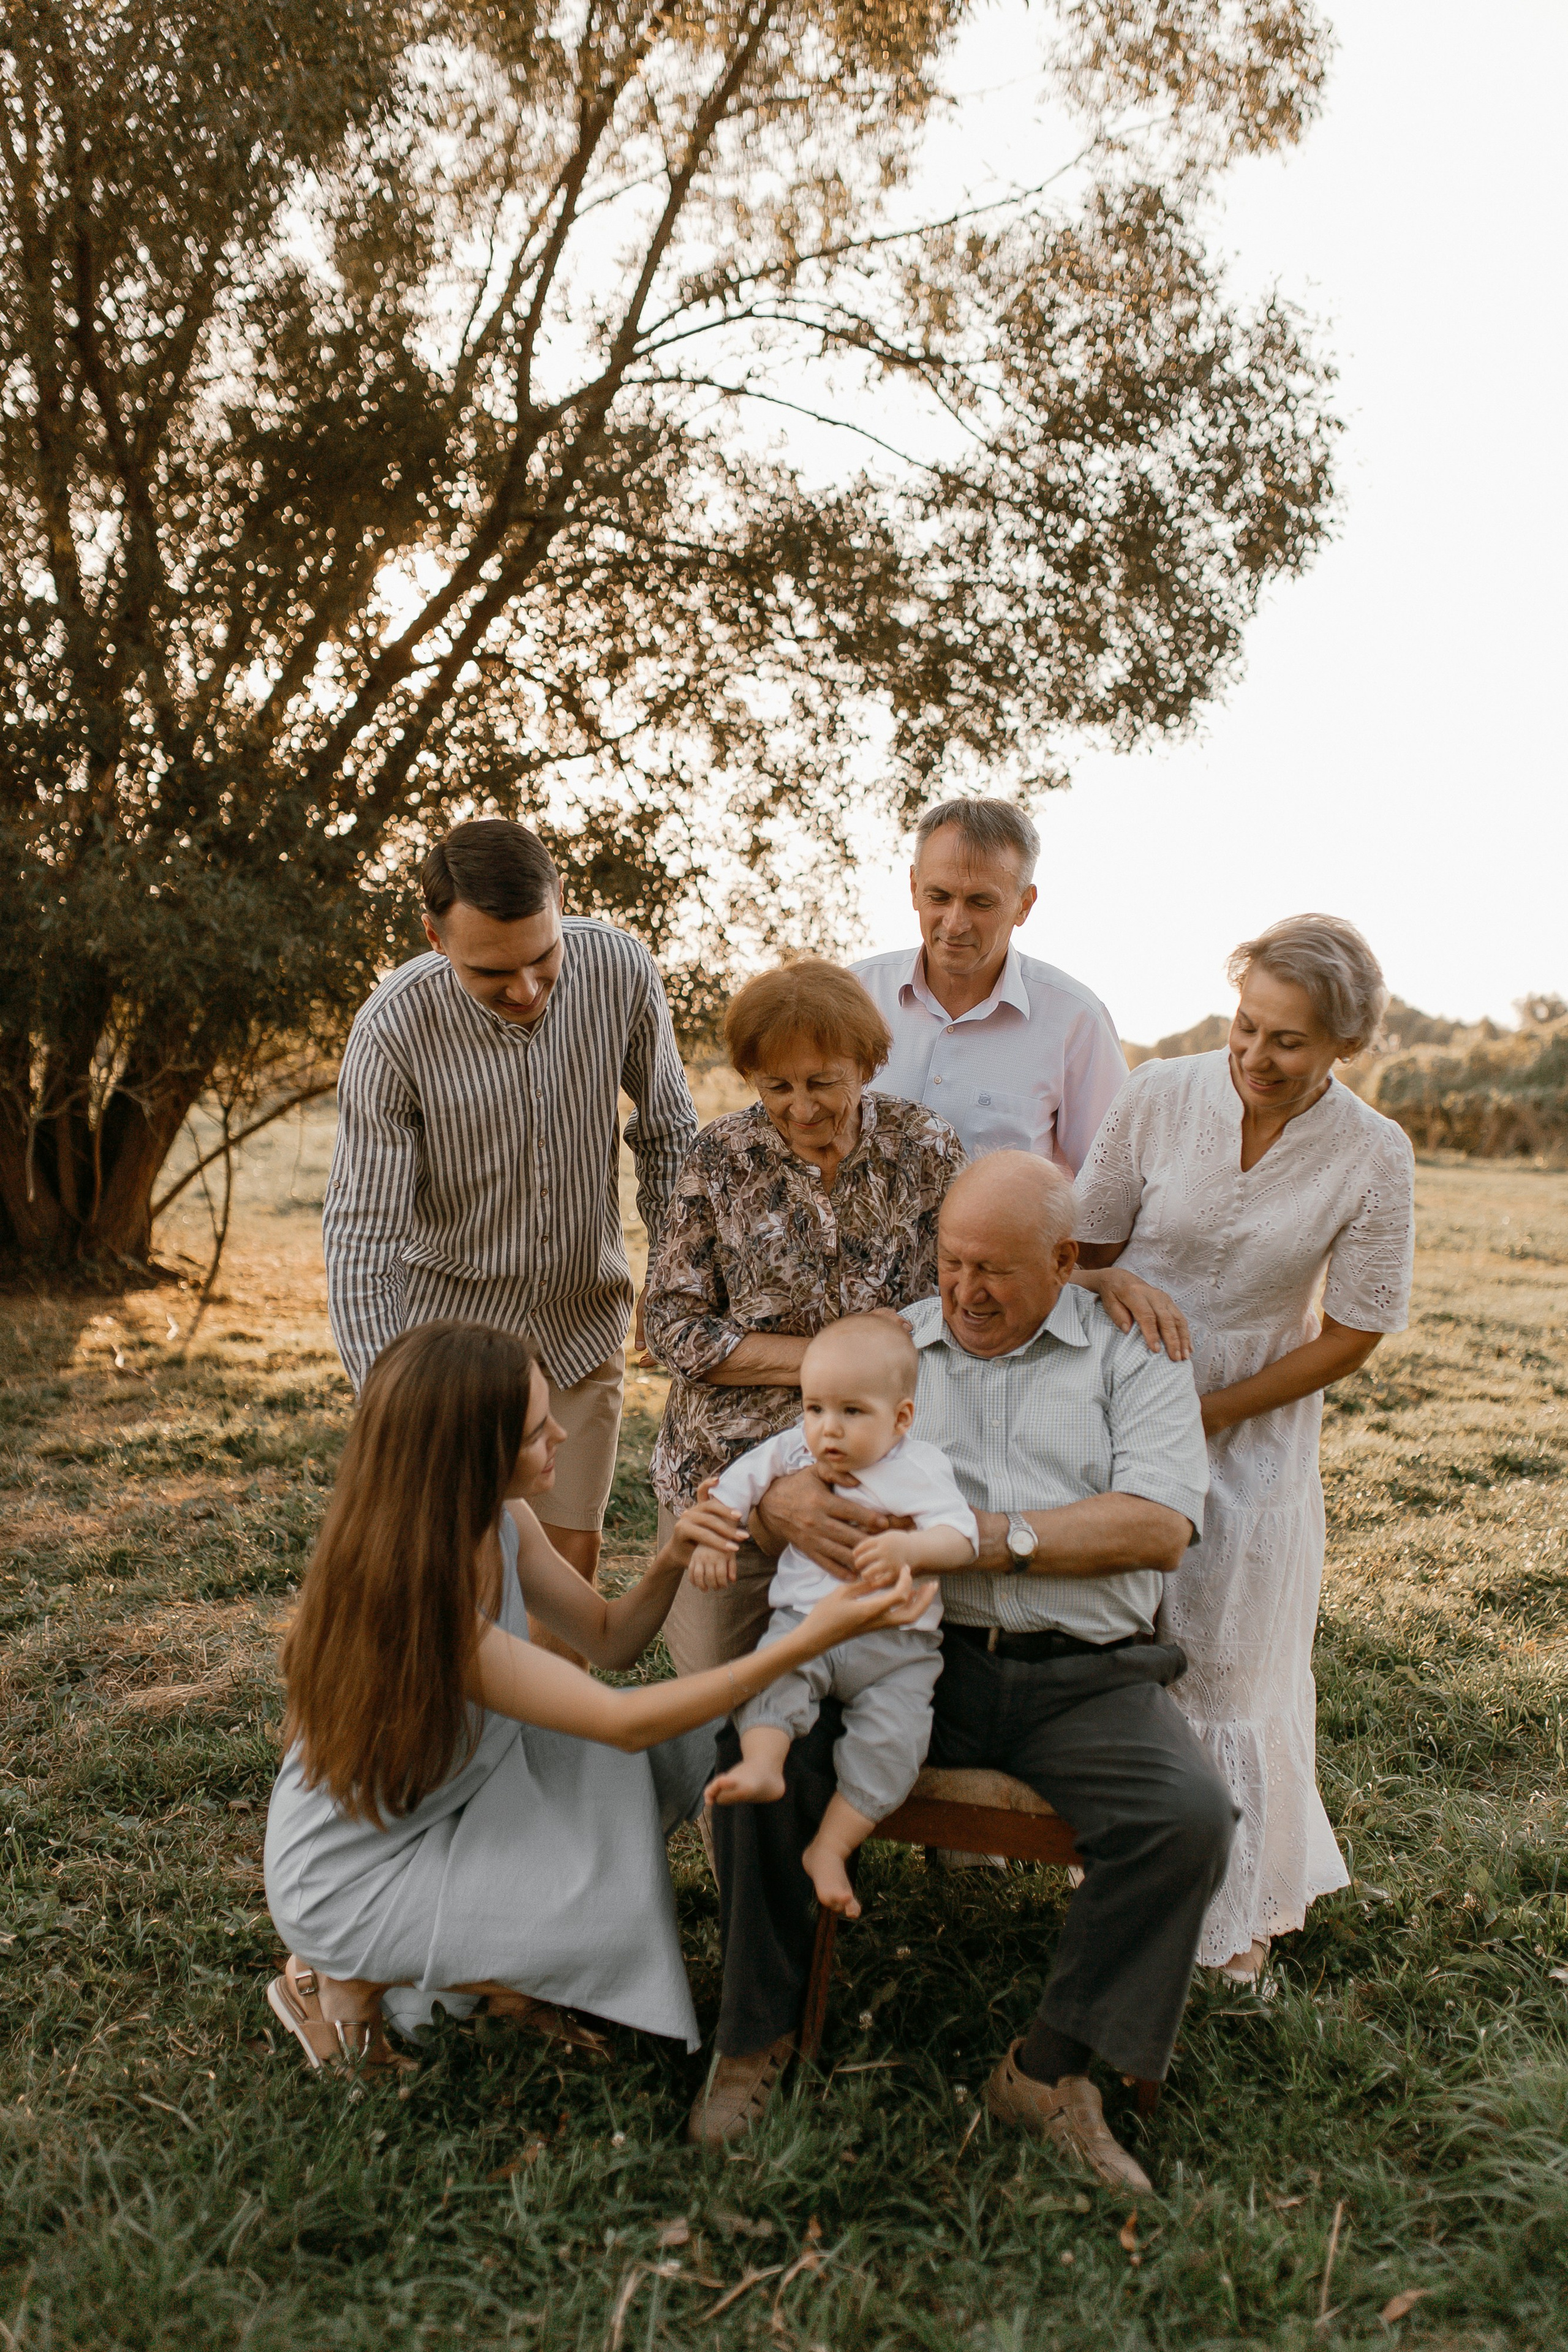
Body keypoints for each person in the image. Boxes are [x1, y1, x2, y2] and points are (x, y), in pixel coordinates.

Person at [692, 1155, 1235, 2195]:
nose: (965, 1290)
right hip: (905, 1658)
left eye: (994, 1268)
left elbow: (1161, 1524)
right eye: (950, 1262)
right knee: (756, 1750)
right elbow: (796, 1460)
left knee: (1187, 1817)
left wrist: (983, 1540)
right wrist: (781, 1508)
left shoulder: (1136, 1348)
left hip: (1085, 1673)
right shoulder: (897, 1347)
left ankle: (1047, 2070)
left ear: (1068, 1262)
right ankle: (754, 2039)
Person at [263, 1320, 929, 2071]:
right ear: (469, 1458)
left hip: (453, 1798)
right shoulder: (419, 1596)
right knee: (601, 1922)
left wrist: (673, 1555)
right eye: (532, 1432)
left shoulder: (499, 1518)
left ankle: (485, 1981)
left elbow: (611, 1641)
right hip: (348, 1876)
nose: (560, 1437)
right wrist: (809, 1639)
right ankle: (344, 1977)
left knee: (689, 1745)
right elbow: (619, 1722)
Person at [1073, 914, 1415, 1982]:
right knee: (1117, 1641)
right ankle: (1119, 1860)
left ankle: (1237, 1913)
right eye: (1245, 1026)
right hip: (1114, 1401)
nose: (1255, 1058)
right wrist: (1115, 1297)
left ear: (1343, 1049)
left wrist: (1211, 1414)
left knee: (1229, 1658)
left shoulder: (1373, 1152)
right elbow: (1078, 1252)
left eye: (1288, 1043)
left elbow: (1354, 1332)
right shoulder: (1158, 1094)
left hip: (1255, 1422)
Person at [322, 818, 696, 1615]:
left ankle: (561, 1741)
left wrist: (672, 1276)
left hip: (578, 1329)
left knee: (569, 1588)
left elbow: (668, 1135)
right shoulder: (392, 1030)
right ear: (434, 935)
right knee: (455, 1595)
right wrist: (393, 1402)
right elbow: (362, 1236)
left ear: (561, 903)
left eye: (544, 960)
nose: (526, 989)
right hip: (452, 1351)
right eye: (494, 971)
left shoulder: (623, 971)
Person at [643, 959, 968, 1676]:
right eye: (775, 1086)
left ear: (870, 1062)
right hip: (724, 1479)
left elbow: (947, 1309)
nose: (801, 1107)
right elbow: (671, 1323)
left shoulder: (924, 1149)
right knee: (721, 1709)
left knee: (866, 1696)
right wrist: (833, 1359)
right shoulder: (720, 1157)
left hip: (876, 1481)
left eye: (823, 1081)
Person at [695, 1313, 977, 1918]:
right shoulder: (796, 1449)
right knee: (771, 1680)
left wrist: (912, 1549)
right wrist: (712, 1541)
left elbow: (961, 1539)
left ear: (900, 1418)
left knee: (895, 1743)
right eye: (815, 1408)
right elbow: (736, 1485)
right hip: (806, 1627)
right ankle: (765, 1765)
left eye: (852, 1412)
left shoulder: (920, 1467)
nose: (828, 1429)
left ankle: (832, 1845)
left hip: (896, 1650)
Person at [850, 797, 1126, 1170]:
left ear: (1024, 905)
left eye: (981, 902)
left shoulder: (1076, 1021)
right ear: (914, 887)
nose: (954, 923)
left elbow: (1112, 1181)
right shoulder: (854, 996)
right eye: (939, 897)